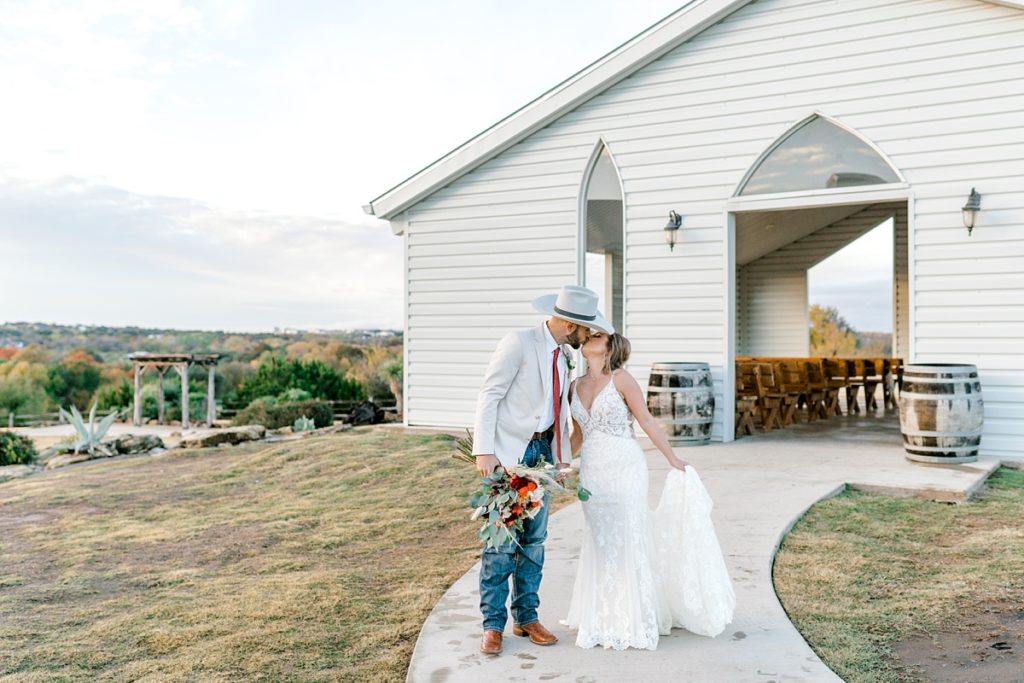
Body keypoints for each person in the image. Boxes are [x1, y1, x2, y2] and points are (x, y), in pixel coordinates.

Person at [562, 331, 735, 650]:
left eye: (597, 336)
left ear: (610, 347)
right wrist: (558, 463)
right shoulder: (573, 386)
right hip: (592, 473)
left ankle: (632, 618)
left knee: (628, 536)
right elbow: (578, 434)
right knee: (600, 540)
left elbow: (646, 421)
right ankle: (601, 613)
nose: (588, 338)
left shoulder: (622, 380)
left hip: (625, 468)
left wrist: (673, 459)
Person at [471, 285, 613, 656]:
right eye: (586, 329)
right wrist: (485, 451)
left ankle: (526, 616)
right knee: (501, 542)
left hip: (543, 456)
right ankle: (492, 626)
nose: (588, 336)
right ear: (570, 324)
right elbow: (490, 395)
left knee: (534, 540)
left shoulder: (564, 355)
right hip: (508, 454)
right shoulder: (517, 343)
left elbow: (558, 411)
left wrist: (561, 459)